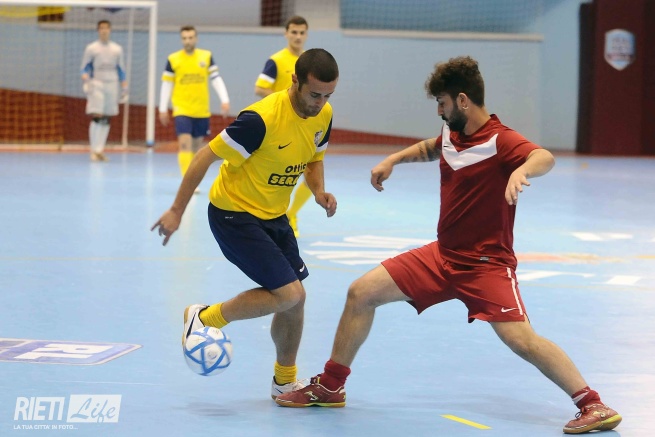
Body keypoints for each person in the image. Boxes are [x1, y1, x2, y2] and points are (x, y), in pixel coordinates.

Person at [275, 56, 622, 435]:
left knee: (522, 340)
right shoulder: (453, 134)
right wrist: (394, 160)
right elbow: (434, 146)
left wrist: (522, 169)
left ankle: (593, 404)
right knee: (361, 292)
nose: (439, 111)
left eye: (441, 103)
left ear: (462, 100)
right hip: (442, 256)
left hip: (486, 265)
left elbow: (544, 157)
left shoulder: (501, 140)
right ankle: (331, 386)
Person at [152, 48, 339, 400]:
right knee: (289, 294)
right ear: (295, 81)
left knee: (296, 301)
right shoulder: (260, 120)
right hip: (233, 215)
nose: (321, 103)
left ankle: (284, 381)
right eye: (315, 94)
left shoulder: (323, 114)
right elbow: (204, 156)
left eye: (328, 96)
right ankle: (205, 318)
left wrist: (318, 191)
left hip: (274, 215)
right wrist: (177, 210)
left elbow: (314, 157)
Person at [255, 15, 311, 237]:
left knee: (312, 176)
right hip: (280, 127)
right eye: (294, 32)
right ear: (286, 33)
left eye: (301, 32)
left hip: (306, 127)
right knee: (280, 176)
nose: (298, 36)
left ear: (306, 35)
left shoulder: (310, 61)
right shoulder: (276, 61)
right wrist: (284, 103)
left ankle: (291, 214)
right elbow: (260, 88)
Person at [159, 25, 230, 183]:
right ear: (181, 40)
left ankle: (192, 178)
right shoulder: (173, 59)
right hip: (182, 109)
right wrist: (163, 108)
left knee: (197, 148)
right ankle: (188, 181)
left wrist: (224, 99)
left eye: (190, 37)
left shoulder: (206, 56)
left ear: (196, 39)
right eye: (184, 38)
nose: (187, 41)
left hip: (201, 110)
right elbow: (167, 84)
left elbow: (216, 78)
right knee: (184, 144)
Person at [80, 20, 128, 162]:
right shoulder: (91, 48)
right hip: (97, 83)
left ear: (110, 30)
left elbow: (121, 69)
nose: (104, 31)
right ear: (98, 30)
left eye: (106, 28)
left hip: (112, 84)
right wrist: (87, 81)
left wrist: (124, 87)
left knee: (107, 117)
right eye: (101, 28)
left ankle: (100, 150)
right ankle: (93, 149)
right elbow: (84, 68)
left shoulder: (117, 49)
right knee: (97, 115)